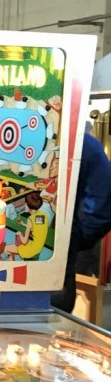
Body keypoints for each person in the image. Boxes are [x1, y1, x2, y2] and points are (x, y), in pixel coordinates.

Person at [51, 132, 111, 313]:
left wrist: (75, 239)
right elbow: (102, 205)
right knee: (50, 322)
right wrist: (75, 239)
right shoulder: (83, 143)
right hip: (58, 253)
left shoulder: (83, 143)